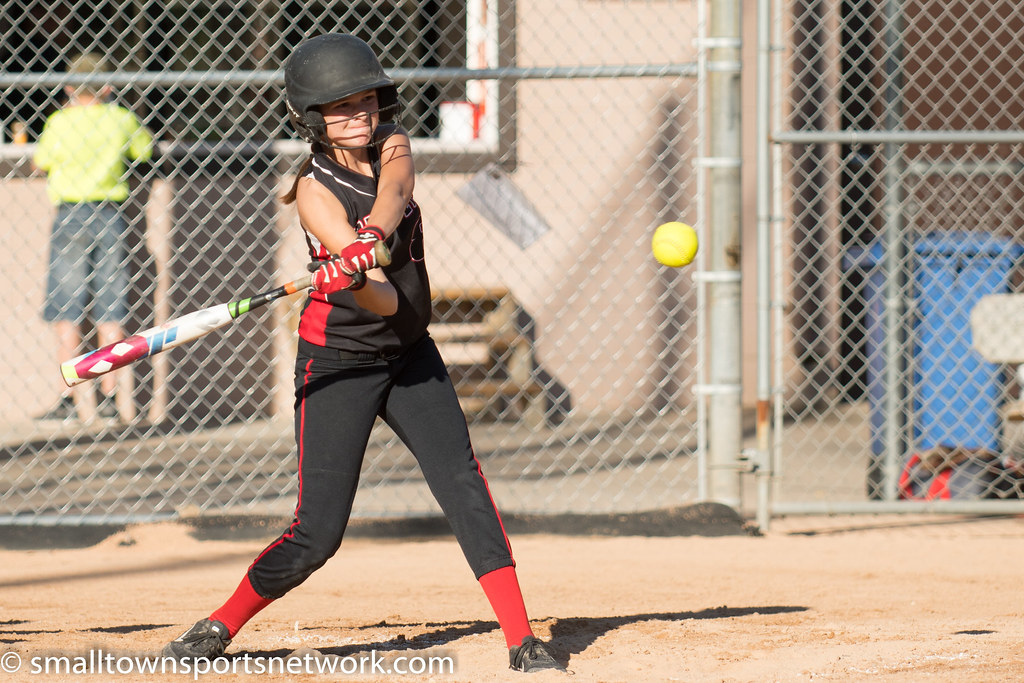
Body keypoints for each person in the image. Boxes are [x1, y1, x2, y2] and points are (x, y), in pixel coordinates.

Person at [162, 34, 563, 673]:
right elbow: (380, 302)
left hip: (409, 354)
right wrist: (352, 276)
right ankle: (219, 623)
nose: (359, 116)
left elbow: (397, 188)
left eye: (365, 102)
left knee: (463, 485)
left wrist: (370, 235)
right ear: (312, 119)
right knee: (318, 534)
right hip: (338, 363)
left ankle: (521, 638)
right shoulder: (315, 193)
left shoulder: (390, 142)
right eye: (340, 108)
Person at [33, 52, 154, 424]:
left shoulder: (59, 122)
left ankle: (69, 397)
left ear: (68, 87)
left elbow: (41, 162)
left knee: (67, 308)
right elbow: (144, 150)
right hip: (110, 213)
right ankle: (109, 395)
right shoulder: (119, 119)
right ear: (107, 87)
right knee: (110, 308)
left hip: (70, 212)